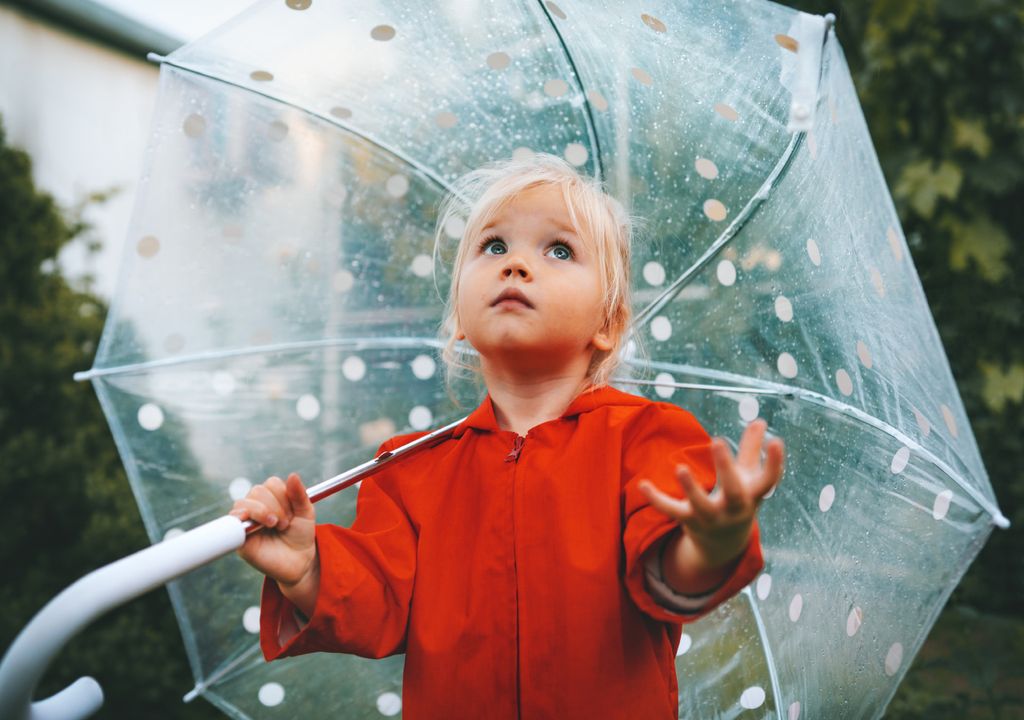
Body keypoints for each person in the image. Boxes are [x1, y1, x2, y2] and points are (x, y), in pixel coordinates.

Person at [230, 153, 785, 719]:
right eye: (494, 246)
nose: (516, 264)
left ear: (608, 324)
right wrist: (309, 569)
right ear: (460, 321)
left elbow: (667, 576)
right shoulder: (409, 468)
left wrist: (711, 544)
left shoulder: (646, 438)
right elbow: (379, 607)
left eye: (559, 250)